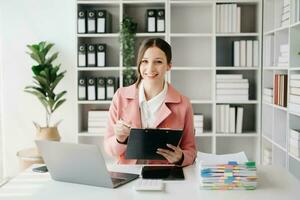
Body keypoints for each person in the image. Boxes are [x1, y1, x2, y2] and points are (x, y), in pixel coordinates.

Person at [104, 38, 196, 166]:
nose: (150, 68)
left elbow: (191, 151)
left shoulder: (183, 104)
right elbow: (109, 149)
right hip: (128, 173)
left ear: (169, 66)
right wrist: (120, 139)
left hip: (166, 174)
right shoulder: (121, 97)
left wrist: (180, 157)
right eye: (145, 61)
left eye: (158, 62)